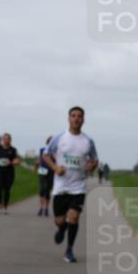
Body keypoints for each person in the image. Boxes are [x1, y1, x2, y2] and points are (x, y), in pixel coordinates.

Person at [42, 106, 98, 263]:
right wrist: (55, 168)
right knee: (60, 220)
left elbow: (94, 159)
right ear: (69, 118)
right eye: (73, 115)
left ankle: (69, 250)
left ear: (83, 119)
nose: (76, 118)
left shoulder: (88, 141)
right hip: (61, 187)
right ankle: (61, 228)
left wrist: (91, 166)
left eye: (79, 116)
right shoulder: (59, 138)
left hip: (78, 187)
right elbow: (46, 155)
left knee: (73, 217)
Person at [0, 133, 20, 214]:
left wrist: (13, 162)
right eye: (4, 139)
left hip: (9, 172)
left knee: (6, 189)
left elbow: (17, 160)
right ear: (2, 140)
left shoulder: (13, 150)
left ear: (10, 140)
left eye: (7, 139)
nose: (5, 140)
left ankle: (5, 206)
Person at [36, 136, 54, 217]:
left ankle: (46, 208)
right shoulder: (42, 150)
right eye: (50, 141)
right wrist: (36, 166)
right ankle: (41, 207)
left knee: (48, 190)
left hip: (51, 171)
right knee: (42, 189)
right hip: (42, 171)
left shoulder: (55, 151)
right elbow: (40, 160)